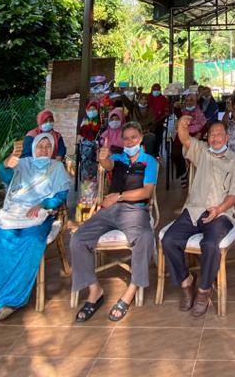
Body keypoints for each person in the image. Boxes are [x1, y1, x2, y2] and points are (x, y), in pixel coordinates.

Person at [0, 134, 70, 325]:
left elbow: (61, 195)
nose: (44, 150)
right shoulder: (22, 164)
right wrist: (7, 163)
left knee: (30, 244)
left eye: (48, 146)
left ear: (53, 149)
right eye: (40, 146)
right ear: (33, 148)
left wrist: (43, 204)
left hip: (40, 215)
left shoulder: (57, 168)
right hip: (13, 214)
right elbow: (5, 175)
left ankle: (9, 301)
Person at [70, 121, 158, 322]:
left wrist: (118, 196)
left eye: (133, 138)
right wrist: (103, 157)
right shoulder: (119, 158)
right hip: (109, 211)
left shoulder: (149, 161)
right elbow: (107, 164)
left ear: (140, 138)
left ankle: (132, 289)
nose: (130, 142)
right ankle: (95, 290)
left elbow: (147, 192)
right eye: (126, 138)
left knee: (145, 237)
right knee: (78, 239)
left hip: (134, 210)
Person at [160, 116, 235, 317]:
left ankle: (203, 291)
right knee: (169, 240)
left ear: (227, 137)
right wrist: (181, 125)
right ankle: (186, 282)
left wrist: (219, 209)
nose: (215, 138)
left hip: (221, 214)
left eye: (219, 134)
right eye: (212, 134)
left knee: (210, 244)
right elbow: (185, 138)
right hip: (194, 210)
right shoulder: (202, 152)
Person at [172, 88, 207, 181]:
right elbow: (178, 114)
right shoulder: (182, 111)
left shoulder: (199, 111)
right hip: (183, 133)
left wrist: (200, 133)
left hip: (196, 134)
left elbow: (205, 125)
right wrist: (176, 107)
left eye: (191, 100)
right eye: (187, 100)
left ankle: (194, 175)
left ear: (195, 101)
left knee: (196, 152)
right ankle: (184, 172)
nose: (189, 102)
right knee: (176, 153)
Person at [124, 91, 161, 157]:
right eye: (141, 99)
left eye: (145, 99)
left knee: (151, 137)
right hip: (134, 131)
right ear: (138, 99)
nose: (143, 101)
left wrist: (147, 130)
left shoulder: (150, 109)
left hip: (146, 132)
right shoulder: (133, 108)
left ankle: (148, 158)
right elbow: (126, 102)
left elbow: (153, 123)